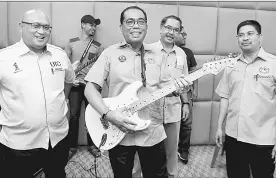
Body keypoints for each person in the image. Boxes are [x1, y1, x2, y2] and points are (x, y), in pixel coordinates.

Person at [0, 10, 75, 178]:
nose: (41, 31)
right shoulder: (2, 58)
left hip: (57, 137)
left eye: (46, 27)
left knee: (57, 173)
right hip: (19, 143)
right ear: (21, 27)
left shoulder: (59, 55)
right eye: (35, 25)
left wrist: (63, 102)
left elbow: (68, 81)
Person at [84, 6, 191, 178]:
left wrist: (178, 90)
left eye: (141, 22)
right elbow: (90, 89)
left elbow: (165, 88)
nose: (136, 26)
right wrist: (108, 114)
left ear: (147, 28)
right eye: (130, 21)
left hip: (152, 131)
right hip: (119, 131)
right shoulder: (109, 54)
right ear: (121, 27)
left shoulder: (159, 54)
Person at [215, 20, 276, 178]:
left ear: (260, 37)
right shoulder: (231, 66)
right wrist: (219, 127)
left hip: (263, 139)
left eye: (250, 34)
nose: (245, 38)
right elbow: (225, 97)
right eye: (240, 35)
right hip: (233, 137)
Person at [150, 15, 190, 178]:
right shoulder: (147, 50)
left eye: (175, 29)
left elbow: (185, 81)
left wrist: (185, 103)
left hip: (173, 109)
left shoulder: (181, 54)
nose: (171, 32)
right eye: (168, 28)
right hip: (150, 110)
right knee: (144, 150)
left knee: (171, 151)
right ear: (161, 29)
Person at [64, 14, 104, 158]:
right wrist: (69, 79)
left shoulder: (98, 46)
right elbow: (65, 65)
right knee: (73, 116)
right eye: (91, 24)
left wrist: (96, 84)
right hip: (75, 85)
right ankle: (72, 146)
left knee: (91, 116)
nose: (93, 27)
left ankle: (93, 145)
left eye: (95, 25)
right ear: (83, 25)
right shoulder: (71, 43)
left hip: (90, 87)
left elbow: (101, 69)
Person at [174, 26, 198, 164]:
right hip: (168, 92)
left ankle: (184, 149)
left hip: (186, 92)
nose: (185, 36)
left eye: (185, 34)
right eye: (182, 34)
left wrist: (195, 90)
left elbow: (195, 73)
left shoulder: (188, 52)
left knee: (187, 123)